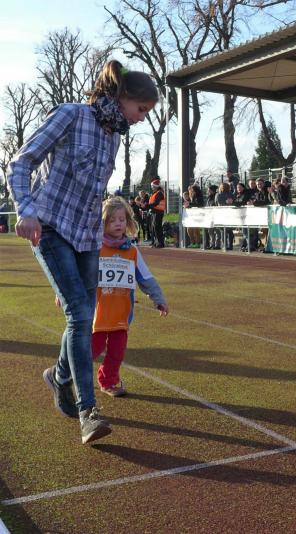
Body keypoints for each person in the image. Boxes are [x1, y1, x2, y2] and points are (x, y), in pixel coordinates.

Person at [7, 59, 157, 444]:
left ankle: (58, 376)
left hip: (87, 237)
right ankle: (88, 411)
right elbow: (20, 162)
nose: (141, 118)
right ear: (123, 97)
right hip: (50, 226)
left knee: (84, 312)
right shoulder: (71, 115)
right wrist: (25, 210)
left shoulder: (114, 136)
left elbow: (94, 194)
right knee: (79, 313)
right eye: (141, 109)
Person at [92, 197, 168, 397]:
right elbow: (78, 273)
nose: (118, 224)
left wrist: (159, 299)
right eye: (112, 220)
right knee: (90, 350)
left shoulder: (132, 251)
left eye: (122, 219)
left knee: (117, 352)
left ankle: (108, 381)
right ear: (102, 223)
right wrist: (62, 293)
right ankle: (65, 376)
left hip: (121, 315)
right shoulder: (94, 248)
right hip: (96, 315)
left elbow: (146, 277)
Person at [214, 181, 235, 250]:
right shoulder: (230, 194)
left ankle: (226, 245)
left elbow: (217, 203)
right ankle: (229, 245)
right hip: (227, 214)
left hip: (223, 214)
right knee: (227, 231)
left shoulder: (219, 194)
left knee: (224, 231)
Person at [146, 177, 166, 248]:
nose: (152, 188)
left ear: (156, 186)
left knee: (157, 228)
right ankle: (156, 242)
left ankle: (160, 243)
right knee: (154, 228)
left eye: (153, 186)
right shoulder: (155, 193)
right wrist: (146, 206)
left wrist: (147, 205)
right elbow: (152, 203)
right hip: (154, 212)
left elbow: (156, 203)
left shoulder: (159, 193)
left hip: (158, 212)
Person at [205, 184, 221, 250]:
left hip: (216, 216)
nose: (208, 192)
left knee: (217, 231)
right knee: (210, 231)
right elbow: (207, 206)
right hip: (210, 216)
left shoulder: (217, 196)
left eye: (209, 190)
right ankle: (212, 244)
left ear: (213, 190)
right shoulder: (209, 197)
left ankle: (217, 245)